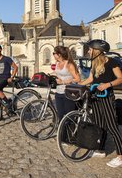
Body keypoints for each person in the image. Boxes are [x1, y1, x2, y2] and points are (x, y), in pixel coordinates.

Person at [78, 39, 122, 167]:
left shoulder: (111, 62)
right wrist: (78, 84)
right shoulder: (93, 63)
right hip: (95, 96)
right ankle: (100, 149)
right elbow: (90, 79)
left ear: (97, 51)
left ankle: (120, 156)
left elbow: (120, 78)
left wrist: (108, 84)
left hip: (107, 97)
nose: (88, 51)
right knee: (99, 124)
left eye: (90, 49)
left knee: (112, 126)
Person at [52, 46, 81, 120]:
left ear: (59, 55)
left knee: (69, 116)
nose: (53, 55)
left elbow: (77, 79)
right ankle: (62, 131)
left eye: (54, 53)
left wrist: (63, 82)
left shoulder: (69, 64)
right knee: (60, 115)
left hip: (68, 93)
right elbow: (58, 74)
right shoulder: (57, 63)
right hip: (58, 92)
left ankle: (70, 131)